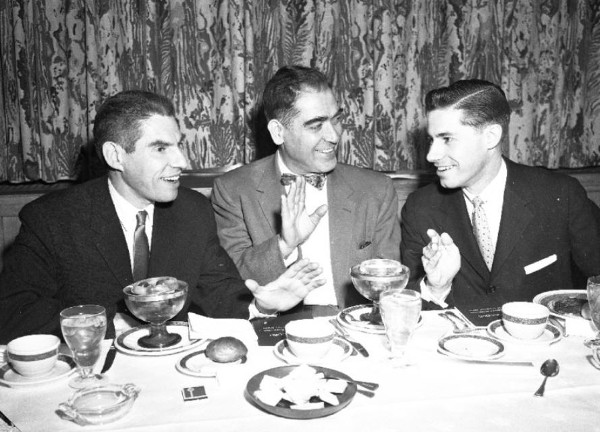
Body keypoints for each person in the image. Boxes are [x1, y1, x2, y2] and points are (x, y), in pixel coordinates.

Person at [0, 90, 325, 344]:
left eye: (178, 146)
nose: (181, 160)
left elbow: (219, 295)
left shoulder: (192, 211)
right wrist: (113, 326)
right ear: (116, 155)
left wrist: (263, 305)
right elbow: (12, 313)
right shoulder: (51, 219)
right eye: (160, 148)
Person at [400, 79, 600, 325]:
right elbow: (406, 307)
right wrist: (435, 286)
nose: (431, 155)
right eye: (432, 140)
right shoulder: (420, 208)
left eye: (447, 139)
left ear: (491, 136)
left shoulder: (560, 195)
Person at [211, 65, 401, 315]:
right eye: (315, 125)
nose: (333, 135)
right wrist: (284, 245)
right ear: (278, 132)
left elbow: (389, 284)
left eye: (336, 119)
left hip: (355, 324)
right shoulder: (234, 190)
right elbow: (232, 284)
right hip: (274, 325)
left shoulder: (377, 189)